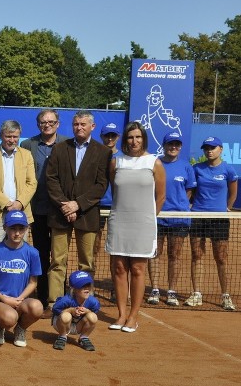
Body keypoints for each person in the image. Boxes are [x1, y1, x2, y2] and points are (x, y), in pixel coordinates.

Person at [45, 110, 111, 307]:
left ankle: (85, 301)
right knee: (57, 261)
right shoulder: (59, 148)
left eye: (83, 124)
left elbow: (101, 185)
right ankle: (55, 301)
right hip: (60, 213)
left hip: (88, 214)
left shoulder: (103, 152)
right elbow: (51, 179)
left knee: (87, 263)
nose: (79, 128)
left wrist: (78, 204)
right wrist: (65, 205)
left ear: (92, 127)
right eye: (76, 124)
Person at [106, 122, 165, 332]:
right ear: (125, 139)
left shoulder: (154, 162)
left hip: (143, 224)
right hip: (120, 221)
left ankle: (133, 316)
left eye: (138, 137)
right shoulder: (116, 161)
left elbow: (160, 196)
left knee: (138, 269)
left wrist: (148, 217)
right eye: (130, 137)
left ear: (144, 139)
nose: (134, 141)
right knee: (119, 268)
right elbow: (115, 190)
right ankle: (121, 315)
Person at [20, 109, 69, 307]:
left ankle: (59, 296)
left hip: (59, 210)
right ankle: (41, 294)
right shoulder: (27, 145)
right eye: (42, 122)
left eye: (50, 121)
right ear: (38, 124)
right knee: (40, 253)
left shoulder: (67, 144)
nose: (46, 124)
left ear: (57, 123)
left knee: (59, 255)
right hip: (37, 209)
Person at [186, 136, 238, 311]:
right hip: (198, 216)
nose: (209, 150)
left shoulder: (228, 170)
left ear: (221, 149)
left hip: (219, 218)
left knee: (221, 257)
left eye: (213, 147)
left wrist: (226, 208)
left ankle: (225, 296)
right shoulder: (196, 169)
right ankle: (197, 294)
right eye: (206, 148)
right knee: (197, 255)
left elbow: (233, 193)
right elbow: (191, 190)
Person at [147, 132, 195, 306]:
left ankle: (172, 291)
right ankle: (154, 289)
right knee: (155, 254)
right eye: (170, 144)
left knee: (174, 255)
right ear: (164, 145)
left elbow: (189, 191)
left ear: (180, 146)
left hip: (179, 218)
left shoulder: (186, 166)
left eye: (176, 144)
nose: (173, 147)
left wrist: (179, 205)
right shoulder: (155, 163)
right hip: (157, 216)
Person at [0, 211, 43, 347]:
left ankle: (21, 328)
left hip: (20, 299)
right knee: (9, 318)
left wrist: (20, 298)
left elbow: (33, 282)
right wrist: (4, 298)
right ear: (5, 228)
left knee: (37, 307)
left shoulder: (32, 253)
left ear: (26, 229)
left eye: (21, 229)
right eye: (13, 229)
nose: (17, 233)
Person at [0, 120, 37, 247]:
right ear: (1, 136)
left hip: (21, 211)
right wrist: (6, 203)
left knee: (21, 250)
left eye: (15, 136)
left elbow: (31, 183)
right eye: (8, 136)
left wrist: (19, 203)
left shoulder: (27, 155)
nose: (12, 140)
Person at [51, 271, 100, 351]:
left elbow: (95, 311)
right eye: (82, 285)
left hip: (79, 326)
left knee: (93, 316)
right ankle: (62, 336)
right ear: (74, 289)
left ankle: (84, 337)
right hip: (62, 324)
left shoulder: (93, 302)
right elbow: (55, 309)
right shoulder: (66, 300)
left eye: (88, 285)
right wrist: (70, 310)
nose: (86, 288)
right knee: (66, 316)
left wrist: (87, 311)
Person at [93, 123, 120, 263]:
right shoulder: (95, 154)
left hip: (118, 206)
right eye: (106, 136)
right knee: (94, 244)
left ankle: (117, 279)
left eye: (113, 135)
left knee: (116, 246)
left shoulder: (124, 157)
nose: (110, 139)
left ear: (118, 137)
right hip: (97, 205)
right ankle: (89, 277)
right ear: (101, 136)